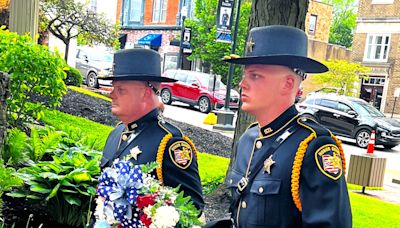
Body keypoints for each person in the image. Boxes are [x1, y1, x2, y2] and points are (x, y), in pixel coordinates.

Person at [222, 25, 352, 227]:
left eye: (254, 76)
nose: (242, 84)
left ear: (288, 84)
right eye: (245, 75)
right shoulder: (248, 139)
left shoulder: (312, 147)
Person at [99, 48, 204, 211]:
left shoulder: (170, 143)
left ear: (144, 93)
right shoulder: (117, 133)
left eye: (120, 89)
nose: (111, 95)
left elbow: (192, 207)